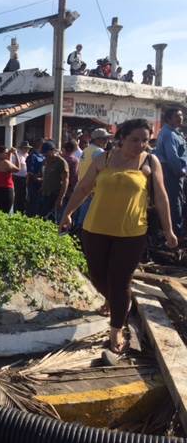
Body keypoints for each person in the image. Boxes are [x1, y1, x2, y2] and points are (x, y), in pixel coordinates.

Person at [60, 119, 177, 353]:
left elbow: (162, 197)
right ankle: (114, 300)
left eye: (145, 140)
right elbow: (83, 189)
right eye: (135, 139)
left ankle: (116, 329)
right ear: (121, 138)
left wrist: (169, 230)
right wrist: (67, 214)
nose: (141, 145)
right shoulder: (102, 159)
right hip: (95, 229)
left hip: (132, 233)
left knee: (120, 281)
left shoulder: (150, 162)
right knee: (97, 276)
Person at [155, 108, 187, 237]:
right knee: (174, 202)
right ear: (168, 118)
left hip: (173, 172)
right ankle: (175, 232)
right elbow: (172, 157)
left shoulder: (174, 133)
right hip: (172, 172)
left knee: (175, 201)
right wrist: (180, 172)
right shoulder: (168, 134)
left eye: (181, 116)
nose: (180, 118)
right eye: (176, 116)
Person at [38, 142, 69, 221]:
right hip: (45, 194)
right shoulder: (46, 161)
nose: (45, 155)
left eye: (46, 153)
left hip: (55, 195)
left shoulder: (61, 162)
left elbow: (65, 181)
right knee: (43, 218)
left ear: (53, 151)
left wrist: (60, 198)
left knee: (52, 219)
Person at [0, 146, 19, 213]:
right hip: (6, 189)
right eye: (5, 153)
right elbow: (18, 169)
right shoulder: (5, 163)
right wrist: (16, 154)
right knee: (6, 211)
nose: (6, 154)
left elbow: (8, 164)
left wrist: (9, 153)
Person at [26, 138, 45, 216]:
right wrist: (38, 179)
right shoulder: (32, 156)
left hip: (43, 185)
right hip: (34, 185)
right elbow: (30, 172)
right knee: (33, 205)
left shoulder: (43, 155)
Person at [12, 141, 30, 212]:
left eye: (28, 148)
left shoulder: (27, 155)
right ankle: (16, 211)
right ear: (22, 148)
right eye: (25, 148)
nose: (27, 149)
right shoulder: (17, 155)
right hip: (17, 178)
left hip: (25, 178)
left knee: (24, 196)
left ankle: (22, 210)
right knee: (18, 196)